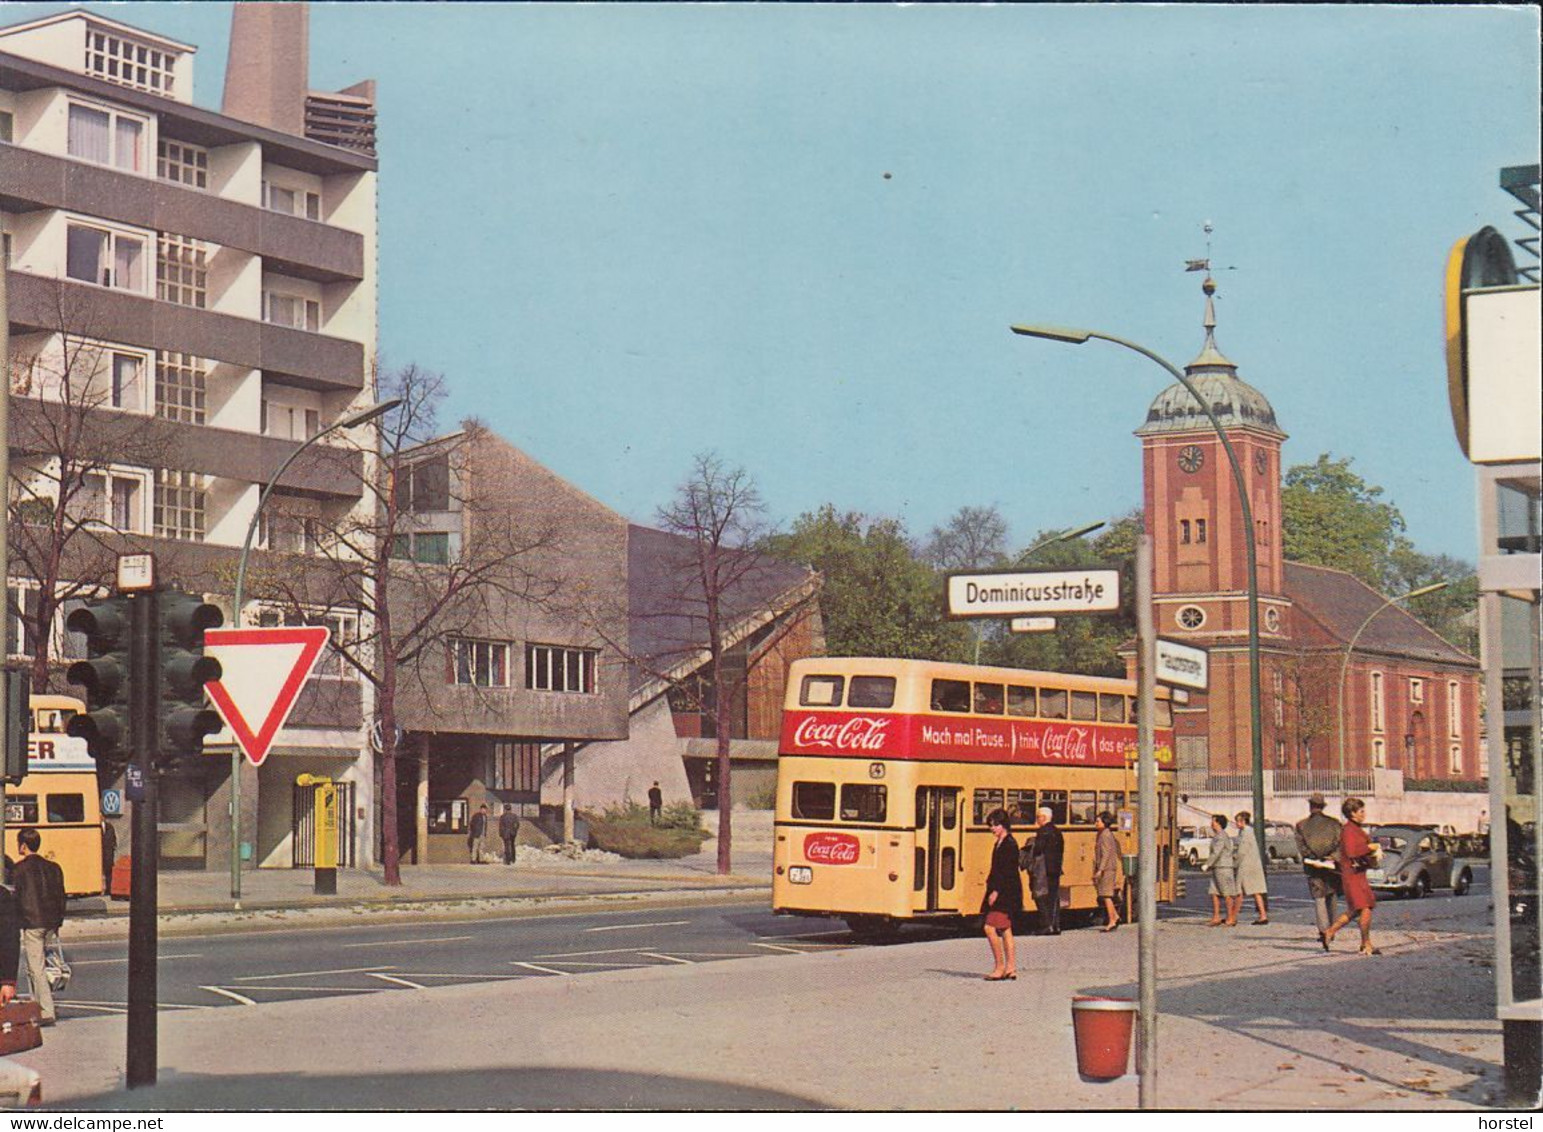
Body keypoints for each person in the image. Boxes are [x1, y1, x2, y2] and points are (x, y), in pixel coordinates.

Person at [14, 829, 65, 1026]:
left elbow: (17, 898)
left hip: (32, 923)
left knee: (36, 968)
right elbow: (61, 896)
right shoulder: (54, 867)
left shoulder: (19, 869)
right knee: (40, 965)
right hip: (50, 922)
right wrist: (58, 921)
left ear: (23, 846)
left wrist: (18, 921)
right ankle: (37, 1005)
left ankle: (45, 1010)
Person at [1324, 797, 1380, 956]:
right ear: (1352, 813)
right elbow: (1352, 851)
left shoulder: (1353, 829)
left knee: (1355, 910)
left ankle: (1330, 932)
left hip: (1357, 874)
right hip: (1353, 874)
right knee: (1365, 907)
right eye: (1361, 811)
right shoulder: (1349, 830)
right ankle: (1366, 943)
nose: (1364, 814)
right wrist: (1369, 847)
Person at [1295, 792, 1343, 951]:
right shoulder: (1334, 824)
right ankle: (1333, 928)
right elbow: (1339, 844)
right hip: (1332, 865)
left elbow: (1302, 847)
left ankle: (1323, 931)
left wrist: (1313, 856)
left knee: (1319, 898)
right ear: (1322, 807)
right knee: (1332, 896)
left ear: (1310, 806)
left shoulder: (1301, 825)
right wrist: (1331, 856)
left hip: (1312, 866)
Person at [980, 809, 1022, 980]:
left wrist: (995, 891)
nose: (992, 829)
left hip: (1004, 893)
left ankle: (999, 967)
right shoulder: (1002, 842)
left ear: (1003, 825)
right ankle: (1011, 968)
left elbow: (1007, 871)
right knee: (1005, 929)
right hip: (1006, 891)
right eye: (991, 825)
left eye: (995, 825)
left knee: (989, 928)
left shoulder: (1009, 845)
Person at [1022, 806, 1064, 935]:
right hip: (1055, 869)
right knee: (1054, 897)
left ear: (1044, 818)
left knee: (1041, 897)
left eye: (1038, 817)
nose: (1037, 820)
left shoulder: (1043, 832)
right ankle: (1055, 925)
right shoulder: (1057, 832)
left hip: (1043, 870)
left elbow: (1038, 850)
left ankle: (1046, 925)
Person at [1202, 813, 1239, 927]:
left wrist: (1207, 864)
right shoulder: (1218, 836)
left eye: (1213, 821)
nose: (1211, 823)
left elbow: (1216, 852)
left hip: (1223, 867)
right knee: (1214, 892)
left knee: (1227, 893)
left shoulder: (1221, 836)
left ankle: (1230, 918)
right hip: (1217, 867)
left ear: (1218, 823)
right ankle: (1216, 916)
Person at [1233, 811, 1270, 924]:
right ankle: (1263, 915)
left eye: (1238, 821)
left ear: (1243, 821)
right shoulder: (1246, 832)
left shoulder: (1246, 832)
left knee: (1239, 891)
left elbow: (1242, 851)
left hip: (1246, 865)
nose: (1236, 824)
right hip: (1252, 865)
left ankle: (1233, 916)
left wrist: (1234, 863)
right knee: (1256, 891)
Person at [1092, 812, 1122, 932]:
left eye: (1098, 821)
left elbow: (1106, 854)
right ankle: (1116, 916)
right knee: (1105, 894)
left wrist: (1100, 869)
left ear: (1105, 823)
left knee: (1106, 895)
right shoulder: (1106, 834)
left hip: (1107, 869)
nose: (1096, 823)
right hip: (1109, 868)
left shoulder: (1105, 835)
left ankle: (1112, 921)